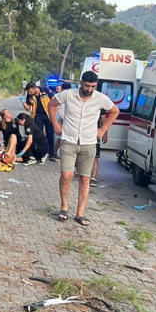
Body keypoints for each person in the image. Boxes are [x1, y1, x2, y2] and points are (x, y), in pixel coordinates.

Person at [48, 71, 120, 226]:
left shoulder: (100, 98)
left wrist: (103, 130)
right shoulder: (68, 95)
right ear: (81, 83)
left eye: (93, 86)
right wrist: (55, 124)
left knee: (85, 178)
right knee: (67, 175)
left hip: (89, 143)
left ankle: (80, 213)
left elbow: (115, 111)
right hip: (68, 140)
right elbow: (52, 104)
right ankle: (64, 207)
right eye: (87, 85)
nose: (89, 89)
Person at [22, 83, 56, 161]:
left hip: (48, 115)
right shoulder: (30, 96)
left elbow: (54, 100)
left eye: (30, 91)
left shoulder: (45, 90)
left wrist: (55, 113)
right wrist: (23, 102)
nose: (29, 93)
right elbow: (28, 108)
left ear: (34, 88)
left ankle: (51, 153)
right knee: (38, 135)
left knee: (50, 134)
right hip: (37, 116)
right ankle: (39, 153)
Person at [90, 110, 109, 187]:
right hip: (84, 132)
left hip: (95, 134)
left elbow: (104, 121)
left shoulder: (100, 106)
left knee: (95, 156)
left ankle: (93, 178)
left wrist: (104, 134)